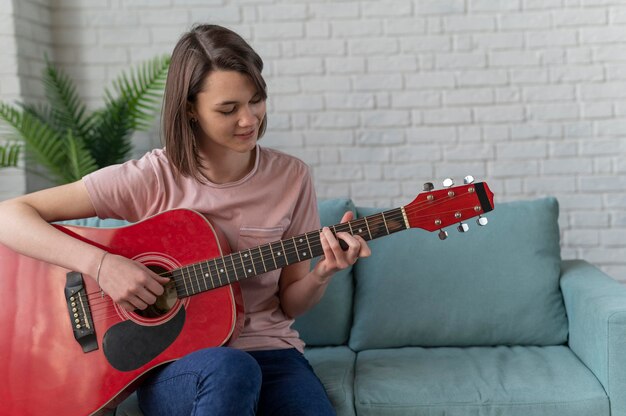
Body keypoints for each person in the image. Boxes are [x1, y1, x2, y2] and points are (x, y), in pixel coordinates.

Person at [0, 24, 370, 415]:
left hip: (272, 352)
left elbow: (291, 303)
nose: (250, 120)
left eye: (256, 101)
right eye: (228, 109)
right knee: (231, 368)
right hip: (177, 367)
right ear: (190, 109)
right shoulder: (152, 177)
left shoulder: (292, 177)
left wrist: (323, 273)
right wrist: (102, 265)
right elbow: (9, 215)